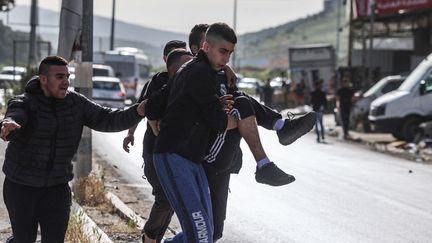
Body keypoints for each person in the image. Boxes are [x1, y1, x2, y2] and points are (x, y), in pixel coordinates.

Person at [0, 56, 146, 242]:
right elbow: (15, 116)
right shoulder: (24, 102)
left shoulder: (76, 103)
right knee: (24, 240)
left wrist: (137, 111)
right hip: (21, 187)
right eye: (59, 77)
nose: (66, 82)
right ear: (43, 79)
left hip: (57, 187)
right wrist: (9, 124)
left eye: (67, 76)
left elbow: (108, 119)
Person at [149, 23, 239, 243]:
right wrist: (243, 120)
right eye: (223, 51)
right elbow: (218, 122)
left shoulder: (196, 70)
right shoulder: (199, 72)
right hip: (174, 157)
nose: (226, 59)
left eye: (230, 53)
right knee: (200, 234)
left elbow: (153, 108)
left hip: (191, 159)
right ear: (206, 46)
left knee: (205, 234)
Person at [123, 40, 187, 243]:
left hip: (176, 152)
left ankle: (153, 238)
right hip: (154, 151)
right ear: (167, 61)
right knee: (165, 197)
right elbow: (142, 108)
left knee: (171, 200)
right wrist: (130, 132)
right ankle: (150, 234)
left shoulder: (189, 82)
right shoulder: (158, 82)